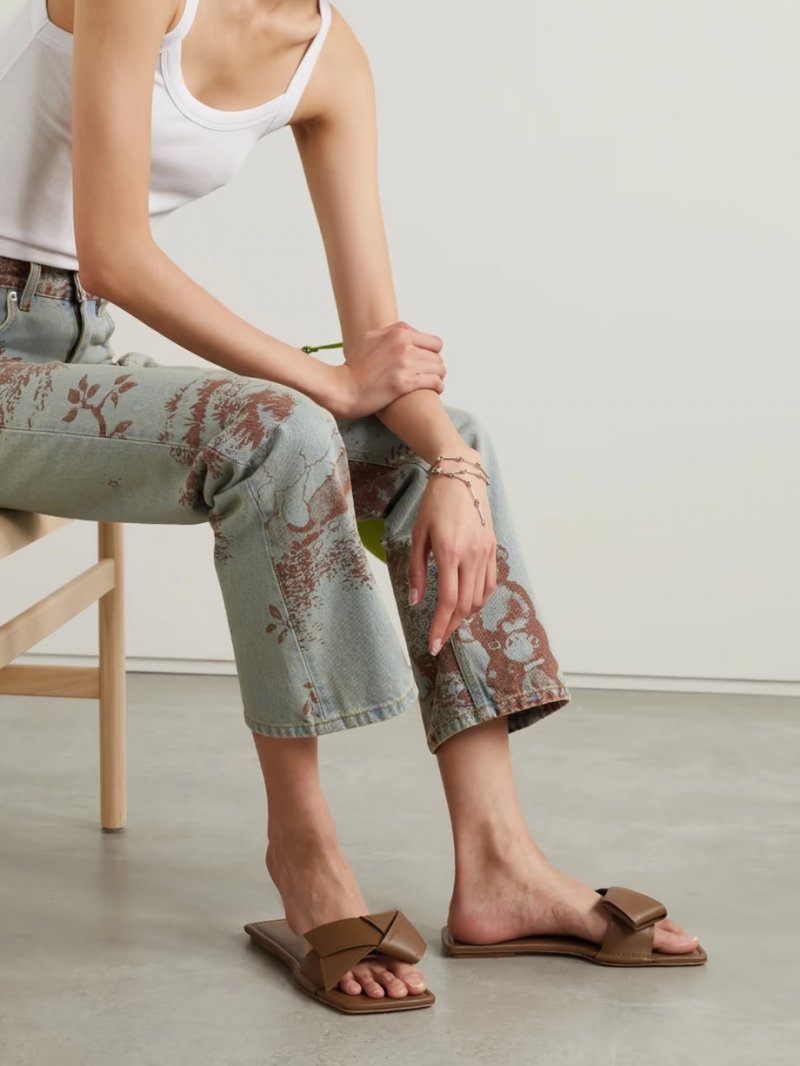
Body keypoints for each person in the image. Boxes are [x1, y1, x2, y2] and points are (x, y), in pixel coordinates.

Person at [0, 0, 706, 1015]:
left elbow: (373, 334)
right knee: (279, 430)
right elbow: (112, 250)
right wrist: (326, 384)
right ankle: (304, 851)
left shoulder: (330, 60)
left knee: (439, 444)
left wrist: (453, 463)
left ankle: (499, 862)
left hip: (79, 359)